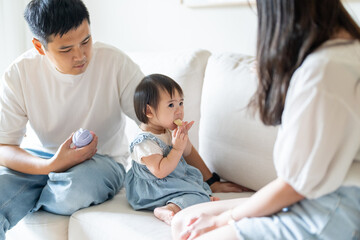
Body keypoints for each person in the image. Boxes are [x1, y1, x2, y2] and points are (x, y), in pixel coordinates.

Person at [171, 0, 360, 239]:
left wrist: (224, 218)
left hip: (328, 211)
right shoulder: (340, 52)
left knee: (197, 232)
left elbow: (294, 184)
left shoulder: (322, 71)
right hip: (318, 194)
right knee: (182, 221)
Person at [0, 0, 146, 238]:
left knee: (74, 190)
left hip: (102, 161)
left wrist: (207, 177)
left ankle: (32, 198)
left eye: (86, 41)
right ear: (39, 47)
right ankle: (45, 190)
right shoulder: (19, 73)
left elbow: (161, 123)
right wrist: (50, 166)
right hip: (40, 161)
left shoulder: (115, 62)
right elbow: (4, 147)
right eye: (66, 49)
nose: (80, 56)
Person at [125, 74, 244, 225]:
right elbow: (160, 171)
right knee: (197, 194)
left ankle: (197, 199)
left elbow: (188, 153)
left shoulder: (167, 130)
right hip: (152, 189)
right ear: (149, 112)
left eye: (181, 103)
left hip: (170, 182)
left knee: (200, 186)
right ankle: (170, 209)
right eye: (171, 105)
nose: (179, 111)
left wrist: (212, 182)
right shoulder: (145, 142)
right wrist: (177, 148)